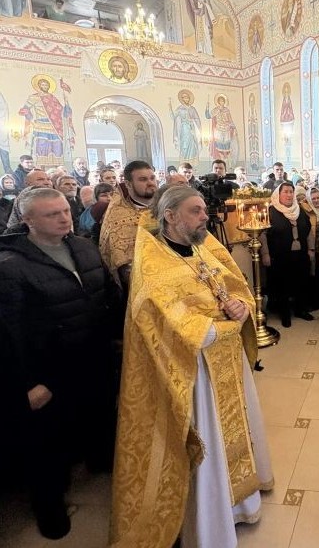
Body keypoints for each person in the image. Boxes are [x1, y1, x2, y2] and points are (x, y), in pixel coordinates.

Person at [110, 186, 272, 548]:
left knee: (233, 430)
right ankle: (212, 519)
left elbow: (236, 285)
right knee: (209, 437)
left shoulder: (203, 246)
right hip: (192, 369)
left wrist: (242, 308)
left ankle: (241, 501)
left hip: (225, 360)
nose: (205, 217)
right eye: (196, 211)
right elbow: (158, 313)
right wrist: (217, 326)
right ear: (170, 216)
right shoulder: (152, 262)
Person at [0, 188, 119, 539]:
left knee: (98, 417)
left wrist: (119, 338)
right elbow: (9, 335)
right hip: (49, 373)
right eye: (52, 214)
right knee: (48, 446)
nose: (64, 217)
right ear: (28, 221)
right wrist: (28, 384)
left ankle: (99, 461)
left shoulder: (83, 246)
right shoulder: (11, 265)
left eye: (65, 210)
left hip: (94, 358)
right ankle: (50, 509)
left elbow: (107, 296)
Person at [99, 160, 158, 290]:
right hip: (141, 285)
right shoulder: (117, 214)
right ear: (128, 184)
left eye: (152, 178)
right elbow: (124, 265)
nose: (150, 183)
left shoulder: (167, 207)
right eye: (143, 179)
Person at [262, 181, 313, 327]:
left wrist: (311, 249)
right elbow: (263, 234)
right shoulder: (271, 211)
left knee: (301, 282)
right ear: (279, 194)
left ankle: (300, 310)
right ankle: (284, 314)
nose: (289, 195)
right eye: (286, 192)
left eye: (291, 192)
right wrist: (265, 253)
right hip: (280, 256)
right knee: (282, 285)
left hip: (300, 254)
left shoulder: (300, 210)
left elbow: (309, 231)